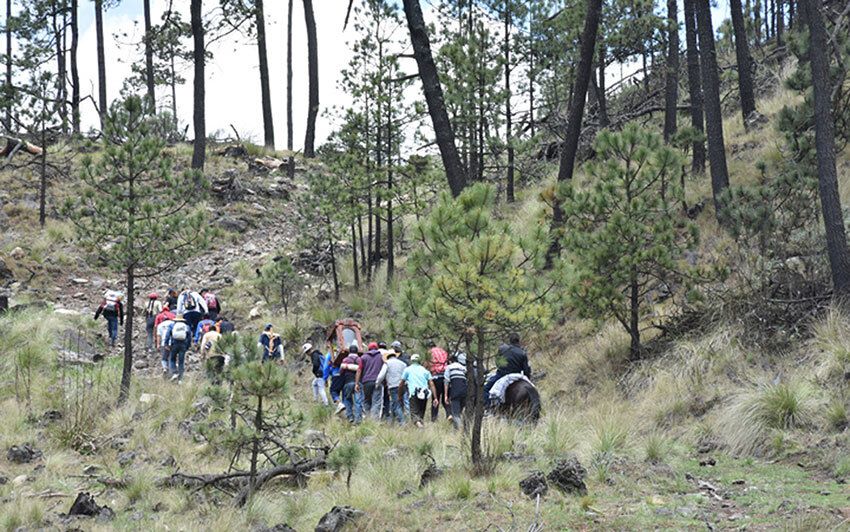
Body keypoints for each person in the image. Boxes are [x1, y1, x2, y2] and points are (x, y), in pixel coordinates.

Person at [484, 332, 532, 404]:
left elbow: (498, 363)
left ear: (510, 340)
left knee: (485, 389)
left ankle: (488, 407)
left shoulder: (502, 349)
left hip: (502, 374)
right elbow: (526, 370)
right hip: (517, 375)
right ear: (519, 340)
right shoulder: (522, 353)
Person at [399, 354, 438, 427]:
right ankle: (421, 429)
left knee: (414, 413)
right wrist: (435, 397)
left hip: (414, 393)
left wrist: (399, 395)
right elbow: (431, 384)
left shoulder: (407, 370)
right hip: (424, 394)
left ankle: (420, 426)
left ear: (411, 360)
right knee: (421, 413)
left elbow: (401, 383)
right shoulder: (425, 371)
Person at [357, 342, 386, 419]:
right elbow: (385, 369)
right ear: (377, 348)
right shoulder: (381, 357)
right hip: (377, 382)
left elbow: (359, 370)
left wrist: (357, 383)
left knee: (366, 401)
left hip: (366, 382)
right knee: (376, 402)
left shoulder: (363, 357)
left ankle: (367, 418)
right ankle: (374, 421)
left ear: (368, 349)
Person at [444, 352, 468, 430]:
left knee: (456, 414)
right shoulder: (463, 367)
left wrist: (446, 395)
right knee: (460, 412)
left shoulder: (449, 367)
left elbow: (446, 382)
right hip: (465, 391)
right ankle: (457, 428)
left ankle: (458, 430)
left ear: (450, 361)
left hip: (455, 392)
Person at [340, 344, 363, 424]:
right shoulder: (359, 359)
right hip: (358, 382)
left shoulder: (345, 360)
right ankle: (358, 419)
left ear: (349, 351)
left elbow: (341, 372)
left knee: (347, 399)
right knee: (358, 401)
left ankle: (350, 417)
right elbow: (360, 370)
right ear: (357, 351)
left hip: (347, 382)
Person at [165, 314, 191, 383]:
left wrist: (166, 344)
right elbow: (189, 337)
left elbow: (167, 335)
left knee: (172, 359)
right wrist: (188, 346)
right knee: (181, 361)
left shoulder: (172, 325)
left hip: (174, 344)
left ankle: (174, 373)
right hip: (183, 345)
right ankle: (180, 379)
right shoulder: (186, 326)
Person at [428, 341, 449, 422]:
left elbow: (428, 364)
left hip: (436, 377)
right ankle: (449, 414)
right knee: (446, 398)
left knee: (435, 399)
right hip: (445, 376)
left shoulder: (429, 352)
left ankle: (434, 418)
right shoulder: (443, 351)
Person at [384, 349, 407, 424]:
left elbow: (381, 375)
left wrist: (377, 383)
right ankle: (392, 421)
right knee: (400, 403)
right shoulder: (403, 364)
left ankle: (402, 422)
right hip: (403, 385)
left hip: (393, 386)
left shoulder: (387, 363)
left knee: (396, 404)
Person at [326, 348, 345, 413]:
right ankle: (348, 411)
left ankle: (339, 403)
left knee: (333, 390)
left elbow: (326, 367)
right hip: (345, 375)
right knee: (344, 392)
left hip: (336, 375)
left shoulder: (330, 355)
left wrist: (325, 378)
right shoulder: (344, 353)